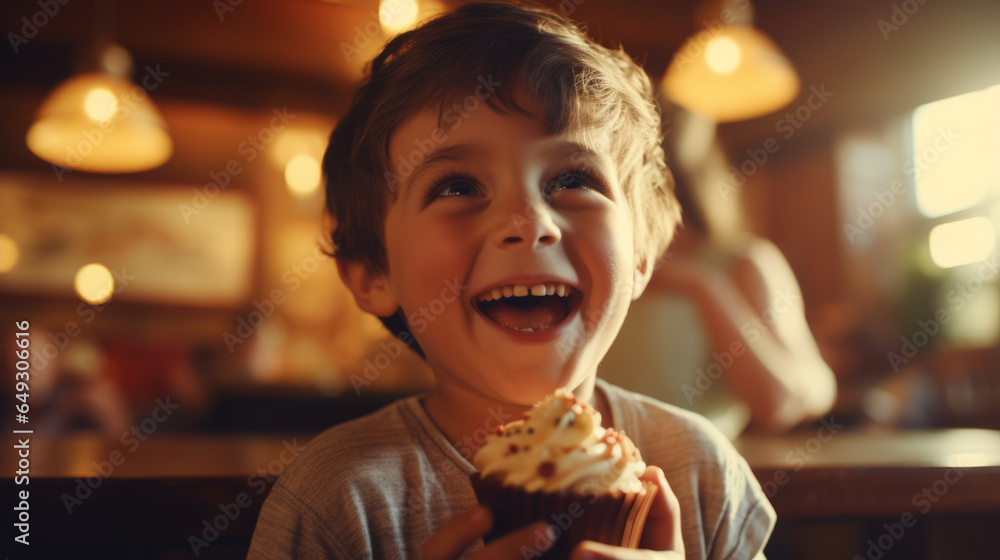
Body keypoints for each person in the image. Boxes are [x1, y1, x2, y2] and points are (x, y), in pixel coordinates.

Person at [247, 3, 775, 559]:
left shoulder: (699, 469)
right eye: (456, 187)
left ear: (645, 253)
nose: (529, 224)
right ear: (373, 274)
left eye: (573, 179)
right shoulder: (338, 498)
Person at [599, 110, 837, 438]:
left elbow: (785, 401)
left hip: (701, 476)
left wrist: (703, 285)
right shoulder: (594, 264)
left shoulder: (742, 263)